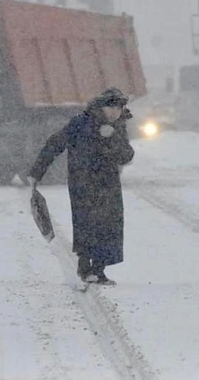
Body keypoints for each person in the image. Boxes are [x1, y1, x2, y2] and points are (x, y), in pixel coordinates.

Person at [27, 87, 135, 285]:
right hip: (82, 183)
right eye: (110, 107)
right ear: (100, 107)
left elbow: (127, 155)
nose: (114, 112)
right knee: (86, 223)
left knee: (109, 225)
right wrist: (36, 172)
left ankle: (99, 270)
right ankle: (85, 268)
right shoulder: (80, 123)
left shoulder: (117, 127)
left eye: (118, 108)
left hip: (108, 183)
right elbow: (55, 144)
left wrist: (113, 138)